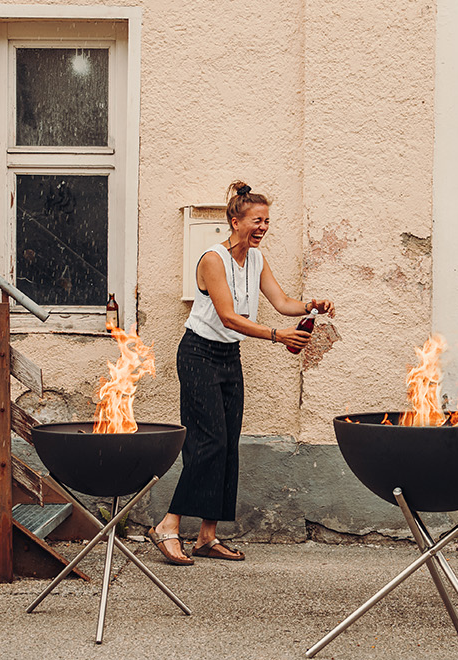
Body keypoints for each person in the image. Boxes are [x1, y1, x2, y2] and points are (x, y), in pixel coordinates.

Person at [148, 182, 332, 566]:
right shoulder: (213, 259)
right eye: (256, 220)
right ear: (235, 221)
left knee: (228, 444)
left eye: (267, 220)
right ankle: (167, 525)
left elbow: (282, 303)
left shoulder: (258, 259)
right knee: (207, 443)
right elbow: (230, 317)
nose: (263, 226)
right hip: (198, 354)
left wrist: (311, 306)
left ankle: (206, 537)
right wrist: (276, 337)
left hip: (228, 356)